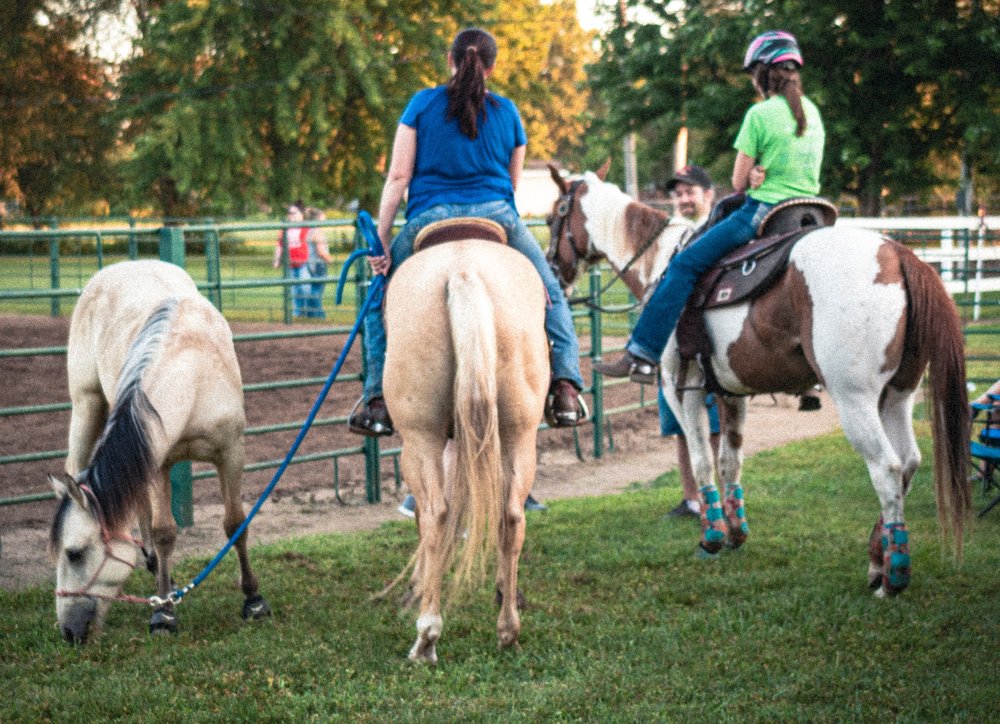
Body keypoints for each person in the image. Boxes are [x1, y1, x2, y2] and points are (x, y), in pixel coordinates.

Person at [348, 27, 587, 437]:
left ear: (450, 59)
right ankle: (565, 387)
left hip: (428, 218)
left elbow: (398, 176)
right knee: (550, 294)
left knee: (377, 302)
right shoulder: (508, 111)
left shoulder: (421, 104)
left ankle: (377, 400)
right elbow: (511, 186)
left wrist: (383, 241)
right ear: (491, 67)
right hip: (498, 217)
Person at [595, 30, 825, 391]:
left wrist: (753, 174)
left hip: (764, 213)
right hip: (810, 216)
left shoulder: (760, 115)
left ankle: (642, 353)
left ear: (763, 74)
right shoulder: (812, 113)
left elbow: (736, 183)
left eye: (753, 75)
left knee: (685, 264)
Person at [660, 165, 722, 517]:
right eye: (679, 193)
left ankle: (716, 495)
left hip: (703, 341)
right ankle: (691, 498)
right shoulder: (679, 234)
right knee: (681, 427)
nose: (684, 199)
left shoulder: (716, 230)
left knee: (711, 426)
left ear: (708, 195)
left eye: (690, 192)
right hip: (676, 339)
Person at [272, 201, 311, 318]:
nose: (291, 215)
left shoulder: (306, 228)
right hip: (290, 264)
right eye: (289, 213)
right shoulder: (285, 229)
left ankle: (307, 310)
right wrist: (277, 260)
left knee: (305, 288)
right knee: (294, 291)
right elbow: (279, 245)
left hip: (304, 263)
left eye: (294, 213)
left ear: (301, 214)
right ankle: (297, 314)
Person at [304, 207, 334, 318]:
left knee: (314, 288)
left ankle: (310, 313)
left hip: (311, 264)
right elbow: (320, 251)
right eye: (323, 218)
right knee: (317, 290)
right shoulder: (318, 232)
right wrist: (330, 259)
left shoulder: (310, 231)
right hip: (318, 264)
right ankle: (319, 314)